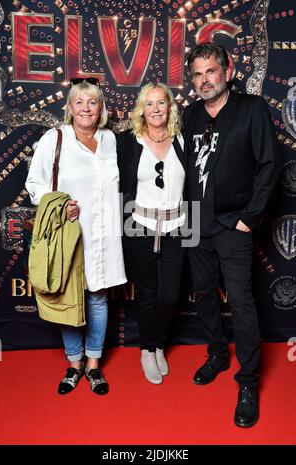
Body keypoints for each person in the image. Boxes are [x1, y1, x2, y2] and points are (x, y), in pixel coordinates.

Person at [184, 43, 280, 427]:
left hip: (233, 224)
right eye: (197, 74)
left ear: (226, 70)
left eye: (210, 71)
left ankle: (248, 381)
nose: (204, 79)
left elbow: (269, 165)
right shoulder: (190, 114)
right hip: (195, 220)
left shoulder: (251, 109)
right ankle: (217, 354)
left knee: (241, 302)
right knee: (204, 294)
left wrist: (249, 219)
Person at [26, 78, 126, 395]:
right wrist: (59, 205)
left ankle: (94, 366)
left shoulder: (111, 140)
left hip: (104, 235)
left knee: (97, 298)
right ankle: (74, 363)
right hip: (69, 235)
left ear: (101, 109)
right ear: (69, 107)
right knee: (69, 298)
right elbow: (35, 184)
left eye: (92, 102)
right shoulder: (54, 139)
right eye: (79, 102)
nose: (85, 108)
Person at [117, 83, 186, 384]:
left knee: (170, 295)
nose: (156, 109)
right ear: (141, 109)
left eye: (161, 103)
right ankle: (147, 349)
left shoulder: (183, 141)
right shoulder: (128, 142)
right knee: (148, 294)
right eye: (149, 104)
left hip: (178, 225)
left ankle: (159, 343)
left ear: (170, 106)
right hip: (139, 225)